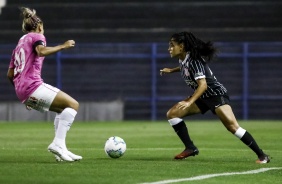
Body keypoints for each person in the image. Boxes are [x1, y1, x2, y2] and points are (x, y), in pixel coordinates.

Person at [160, 31, 270, 164]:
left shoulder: (194, 60)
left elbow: (203, 85)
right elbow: (185, 68)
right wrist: (171, 70)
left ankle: (263, 156)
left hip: (216, 95)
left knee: (232, 127)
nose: (169, 48)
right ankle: (190, 148)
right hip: (203, 97)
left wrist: (190, 102)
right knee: (173, 114)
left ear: (182, 47)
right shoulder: (183, 59)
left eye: (172, 45)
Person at [7, 7, 82, 162]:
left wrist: (24, 95)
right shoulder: (36, 36)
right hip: (32, 86)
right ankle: (58, 144)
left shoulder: (18, 45)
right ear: (39, 25)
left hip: (22, 91)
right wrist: (63, 46)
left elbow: (10, 74)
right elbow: (41, 51)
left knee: (62, 109)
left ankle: (61, 149)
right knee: (73, 105)